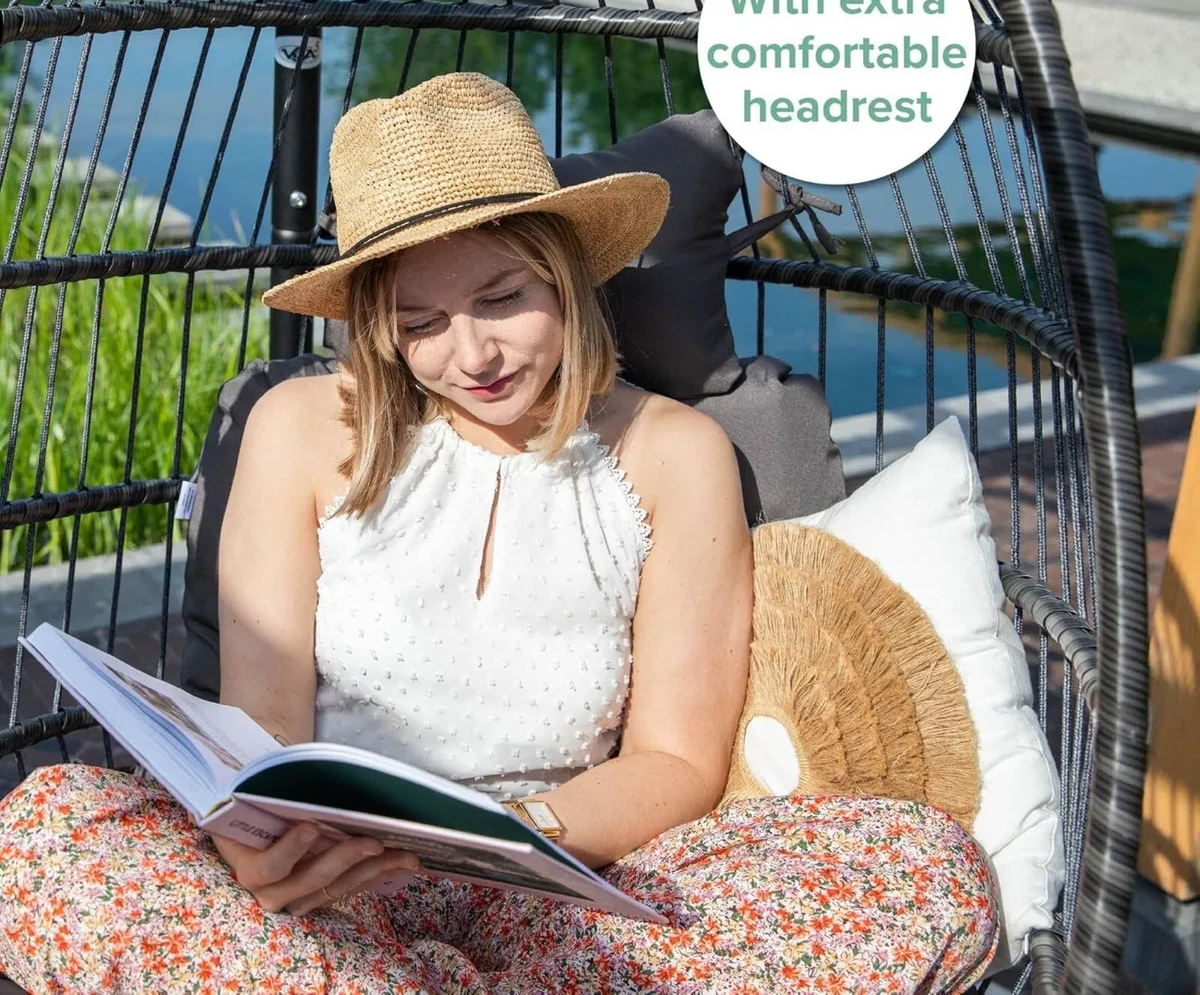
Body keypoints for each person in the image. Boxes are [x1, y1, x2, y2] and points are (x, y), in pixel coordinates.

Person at [0, 72, 997, 993]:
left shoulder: (671, 452)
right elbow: (264, 736)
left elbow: (678, 764)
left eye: (501, 300)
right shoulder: (298, 429)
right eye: (420, 321)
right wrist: (258, 852)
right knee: (41, 836)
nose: (469, 355)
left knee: (921, 865)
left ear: (565, 276)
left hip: (564, 881)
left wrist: (517, 835)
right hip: (329, 890)